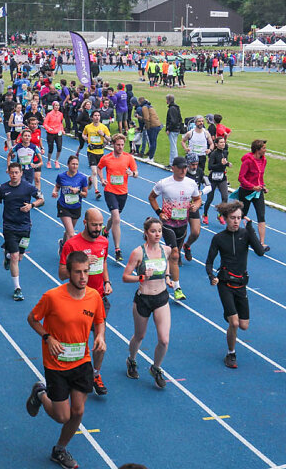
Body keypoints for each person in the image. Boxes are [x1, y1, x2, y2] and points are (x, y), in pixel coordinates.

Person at [26, 251, 106, 469]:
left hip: (81, 362)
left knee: (78, 411)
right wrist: (47, 337)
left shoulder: (94, 296)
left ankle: (59, 449)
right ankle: (40, 393)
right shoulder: (52, 297)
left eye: (86, 272)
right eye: (78, 272)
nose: (83, 277)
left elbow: (99, 321)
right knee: (62, 416)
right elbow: (32, 318)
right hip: (56, 364)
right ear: (69, 273)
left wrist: (100, 336)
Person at [205, 201, 266, 368]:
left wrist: (251, 229)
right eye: (232, 218)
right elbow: (209, 262)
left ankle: (230, 314)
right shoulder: (218, 238)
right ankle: (231, 354)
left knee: (244, 325)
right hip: (225, 284)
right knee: (234, 323)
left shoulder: (245, 234)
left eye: (239, 218)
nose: (236, 221)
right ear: (225, 218)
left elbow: (260, 252)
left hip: (241, 284)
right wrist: (211, 276)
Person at [59, 209, 111, 396]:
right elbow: (62, 273)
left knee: (100, 342)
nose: (98, 229)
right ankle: (68, 372)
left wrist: (107, 282)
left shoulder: (104, 241)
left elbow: (103, 263)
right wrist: (81, 264)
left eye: (100, 225)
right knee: (76, 341)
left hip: (98, 300)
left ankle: (96, 373)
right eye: (94, 225)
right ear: (85, 223)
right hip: (76, 301)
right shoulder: (72, 244)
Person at [122, 217, 173, 388]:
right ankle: (131, 359)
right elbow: (125, 276)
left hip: (161, 298)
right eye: (153, 231)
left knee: (164, 340)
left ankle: (156, 368)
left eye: (159, 231)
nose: (157, 234)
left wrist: (168, 277)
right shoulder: (138, 253)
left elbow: (166, 264)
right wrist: (141, 277)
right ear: (146, 233)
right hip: (143, 299)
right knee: (140, 336)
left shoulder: (166, 250)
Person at [148, 156, 201, 301]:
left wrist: (195, 206)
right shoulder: (164, 183)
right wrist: (159, 212)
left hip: (182, 224)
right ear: (173, 168)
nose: (184, 170)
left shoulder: (191, 183)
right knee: (176, 254)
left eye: (185, 167)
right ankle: (177, 288)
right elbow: (151, 197)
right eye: (181, 168)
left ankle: (164, 270)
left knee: (173, 254)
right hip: (168, 224)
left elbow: (197, 199)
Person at [0, 162, 44, 301]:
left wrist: (32, 205)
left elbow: (41, 199)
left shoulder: (28, 187)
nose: (14, 175)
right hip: (9, 227)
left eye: (16, 172)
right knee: (15, 257)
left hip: (25, 227)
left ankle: (7, 255)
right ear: (8, 173)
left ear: (21, 173)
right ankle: (17, 289)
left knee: (19, 257)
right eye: (12, 172)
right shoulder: (3, 188)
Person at [97, 134, 138, 261]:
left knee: (115, 217)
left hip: (123, 193)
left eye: (122, 145)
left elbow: (136, 173)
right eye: (118, 145)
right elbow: (99, 168)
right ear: (113, 145)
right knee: (117, 218)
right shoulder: (107, 158)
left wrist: (132, 173)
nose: (120, 147)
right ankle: (117, 249)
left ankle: (105, 230)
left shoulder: (128, 158)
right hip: (110, 191)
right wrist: (102, 179)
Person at [237, 139, 269, 248]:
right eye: (264, 148)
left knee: (261, 215)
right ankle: (234, 235)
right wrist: (252, 186)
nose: (265, 150)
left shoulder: (264, 160)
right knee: (241, 215)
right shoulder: (247, 161)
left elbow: (260, 177)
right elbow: (241, 178)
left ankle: (261, 243)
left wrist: (263, 186)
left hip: (258, 192)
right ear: (257, 150)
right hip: (246, 191)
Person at [52, 155, 88, 248]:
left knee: (69, 231)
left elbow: (85, 194)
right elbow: (57, 186)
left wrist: (78, 192)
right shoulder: (61, 176)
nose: (75, 166)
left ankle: (63, 245)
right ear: (68, 164)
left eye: (76, 164)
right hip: (63, 206)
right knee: (71, 234)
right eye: (73, 164)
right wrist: (54, 191)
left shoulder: (82, 178)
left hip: (76, 207)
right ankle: (67, 254)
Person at [182, 152, 210, 262]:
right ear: (187, 164)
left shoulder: (199, 172)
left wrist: (201, 193)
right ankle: (176, 254)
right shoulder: (182, 173)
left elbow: (209, 186)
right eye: (192, 164)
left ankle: (187, 245)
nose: (195, 167)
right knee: (182, 233)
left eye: (196, 164)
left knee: (195, 232)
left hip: (194, 205)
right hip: (181, 206)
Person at [82, 109, 111, 201]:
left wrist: (103, 135)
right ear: (92, 117)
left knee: (98, 171)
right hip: (91, 151)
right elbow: (83, 134)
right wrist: (85, 138)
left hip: (100, 152)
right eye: (95, 115)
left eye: (98, 115)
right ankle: (96, 191)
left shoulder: (104, 127)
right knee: (94, 171)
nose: (97, 117)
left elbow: (109, 139)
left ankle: (91, 179)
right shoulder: (88, 127)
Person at [203, 137, 231, 225]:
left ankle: (220, 215)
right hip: (213, 179)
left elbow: (224, 163)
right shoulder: (213, 154)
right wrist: (220, 164)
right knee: (210, 199)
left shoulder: (225, 152)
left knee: (225, 197)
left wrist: (227, 164)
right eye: (221, 142)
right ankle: (205, 215)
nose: (223, 144)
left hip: (222, 178)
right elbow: (210, 167)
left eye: (224, 142)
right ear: (216, 144)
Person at [43, 101, 65, 169]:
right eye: (56, 105)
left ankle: (56, 160)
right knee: (51, 148)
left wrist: (62, 130)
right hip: (51, 133)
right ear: (53, 106)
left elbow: (60, 123)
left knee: (59, 147)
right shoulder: (49, 114)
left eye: (58, 105)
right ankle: (49, 161)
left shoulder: (60, 114)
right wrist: (48, 128)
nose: (57, 107)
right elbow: (45, 123)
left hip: (58, 132)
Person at [165, 94, 183, 166]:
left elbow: (173, 121)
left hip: (173, 130)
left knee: (173, 147)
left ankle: (173, 163)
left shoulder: (172, 109)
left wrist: (168, 129)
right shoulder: (176, 107)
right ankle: (173, 162)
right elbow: (179, 119)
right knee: (173, 146)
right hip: (176, 129)